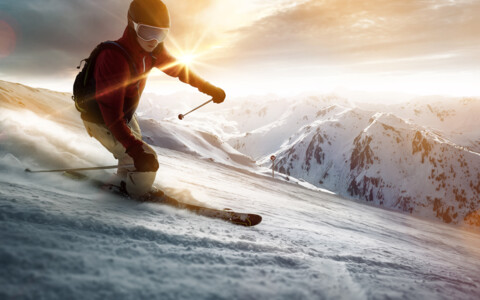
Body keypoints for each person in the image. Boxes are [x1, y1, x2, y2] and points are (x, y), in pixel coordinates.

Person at [79, 0, 225, 197]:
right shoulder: (114, 58)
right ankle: (134, 193)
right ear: (132, 25)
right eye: (147, 31)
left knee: (134, 149)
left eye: (161, 33)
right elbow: (111, 115)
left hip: (124, 115)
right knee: (147, 160)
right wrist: (136, 151)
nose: (153, 40)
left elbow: (180, 70)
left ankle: (125, 181)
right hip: (101, 120)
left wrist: (209, 88)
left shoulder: (154, 52)